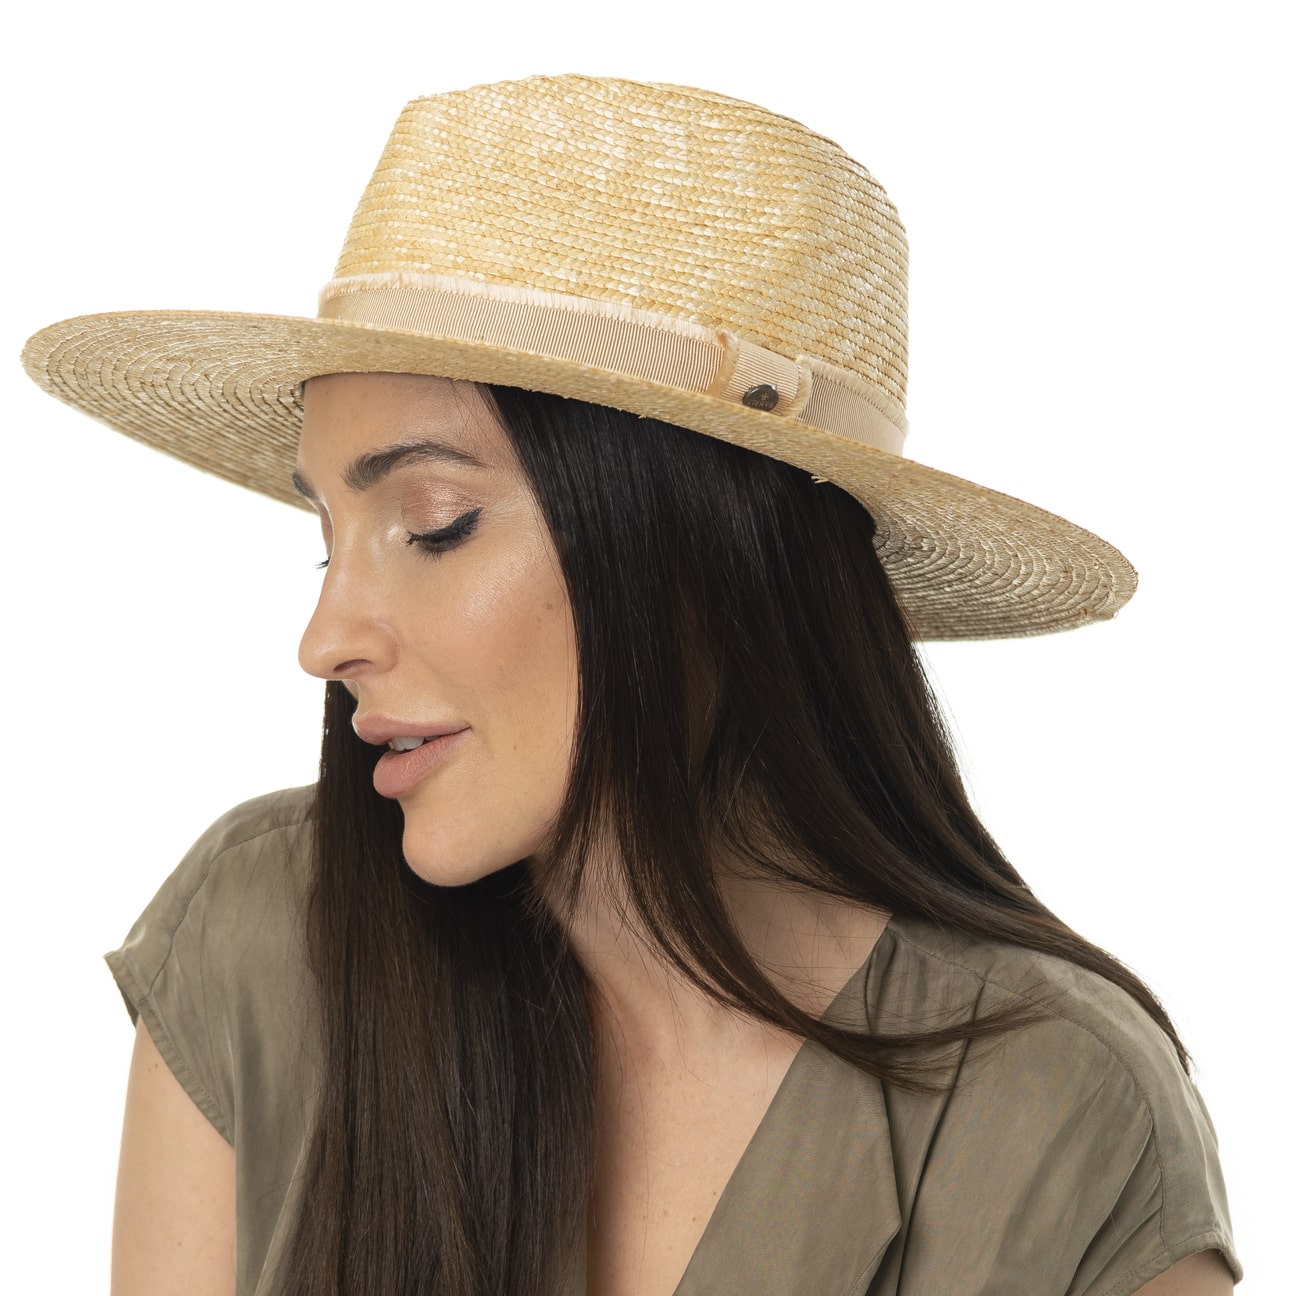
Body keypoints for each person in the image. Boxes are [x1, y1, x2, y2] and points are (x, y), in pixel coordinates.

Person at [22, 75, 1239, 1296]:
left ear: (698, 559)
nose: (324, 639)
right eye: (325, 538)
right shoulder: (265, 940)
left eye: (434, 524)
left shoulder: (1052, 1117)